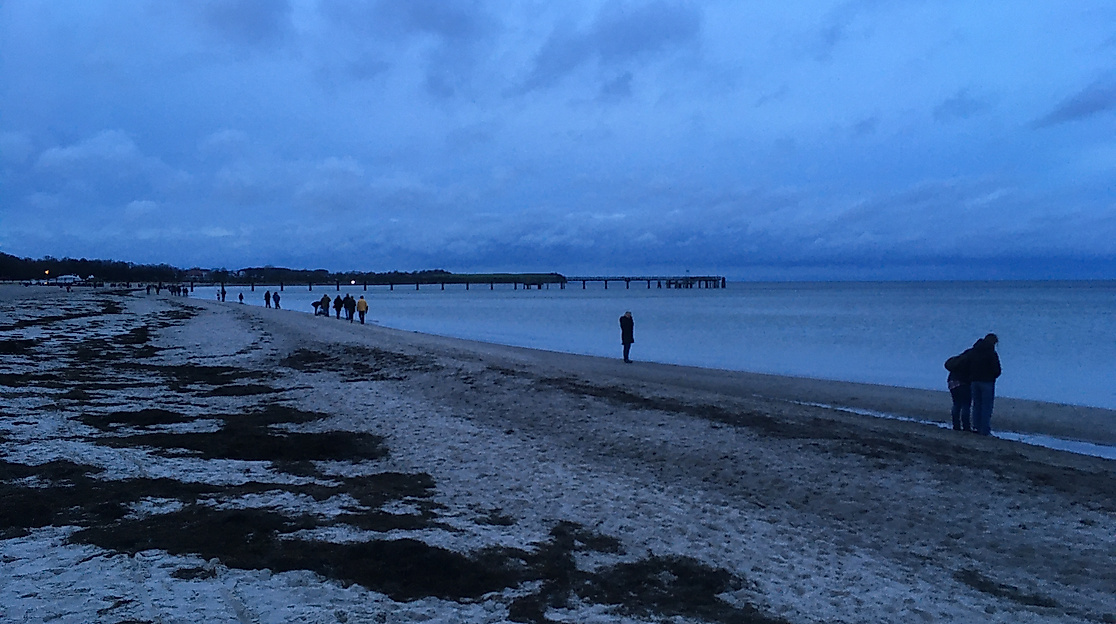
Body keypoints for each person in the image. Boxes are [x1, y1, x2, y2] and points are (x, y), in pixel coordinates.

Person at [969, 333, 1002, 436]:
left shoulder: (974, 351)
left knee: (976, 405)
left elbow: (968, 364)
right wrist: (992, 376)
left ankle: (976, 427)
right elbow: (996, 369)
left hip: (974, 381)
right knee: (986, 407)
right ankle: (984, 430)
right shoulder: (991, 353)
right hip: (987, 382)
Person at [944, 341, 978, 432]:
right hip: (963, 382)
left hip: (952, 381)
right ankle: (966, 426)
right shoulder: (972, 358)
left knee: (956, 404)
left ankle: (956, 425)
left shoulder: (962, 357)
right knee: (966, 405)